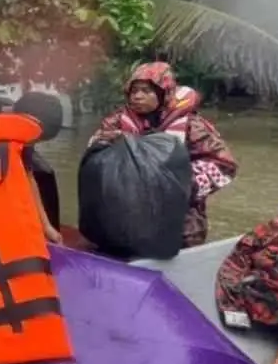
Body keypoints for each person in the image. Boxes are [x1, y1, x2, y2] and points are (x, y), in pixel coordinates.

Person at [89, 61, 238, 247]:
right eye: (134, 91)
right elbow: (93, 154)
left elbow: (224, 164)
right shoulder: (116, 122)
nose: (137, 96)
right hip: (126, 213)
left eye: (146, 91)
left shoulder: (192, 125)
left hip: (179, 221)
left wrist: (181, 182)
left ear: (163, 94)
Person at [0, 93, 63, 244]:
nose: (32, 142)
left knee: (42, 172)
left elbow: (29, 177)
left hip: (4, 135)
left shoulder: (24, 132)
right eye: (35, 138)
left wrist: (46, 226)